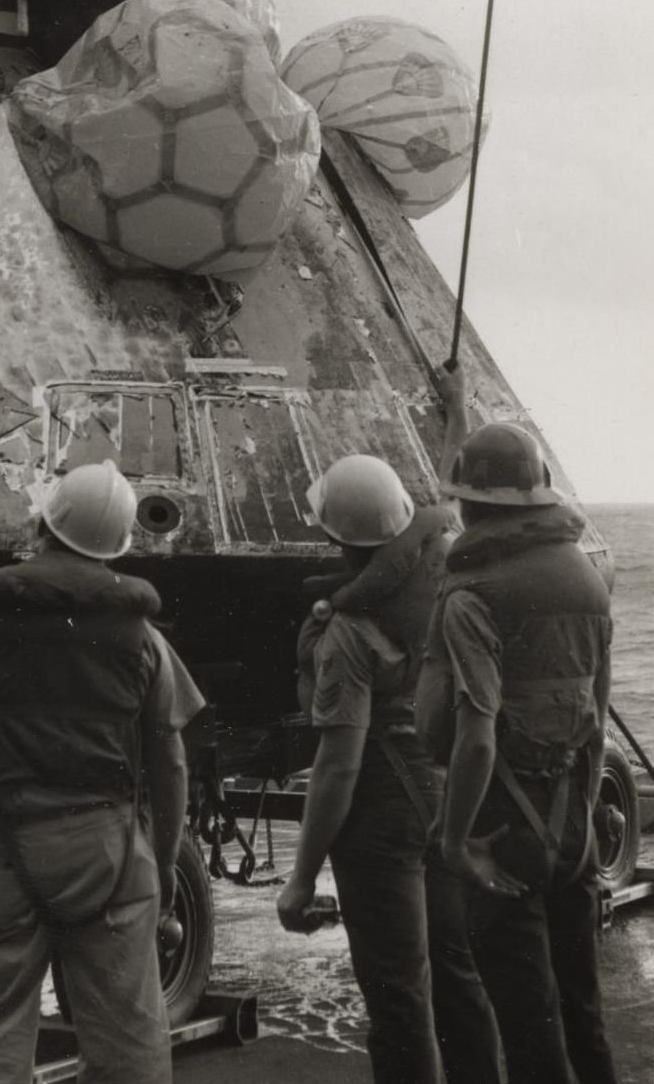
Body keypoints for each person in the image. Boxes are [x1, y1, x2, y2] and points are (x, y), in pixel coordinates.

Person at [0, 460, 203, 1084]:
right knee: (129, 1045)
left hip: (12, 849)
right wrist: (162, 864)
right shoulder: (143, 641)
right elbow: (169, 762)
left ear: (42, 524)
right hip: (112, 854)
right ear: (119, 547)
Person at [417, 369, 619, 1084]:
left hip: (502, 827)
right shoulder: (586, 577)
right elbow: (594, 722)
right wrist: (585, 829)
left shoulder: (469, 594)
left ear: (471, 503)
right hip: (574, 827)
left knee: (529, 1033)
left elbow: (475, 731)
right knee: (583, 1015)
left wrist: (453, 841)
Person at [277, 448, 498, 1084]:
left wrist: (301, 877)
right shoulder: (449, 583)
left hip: (379, 818)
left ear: (335, 538)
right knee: (456, 975)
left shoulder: (349, 632)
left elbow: (338, 765)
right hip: (446, 796)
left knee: (399, 994)